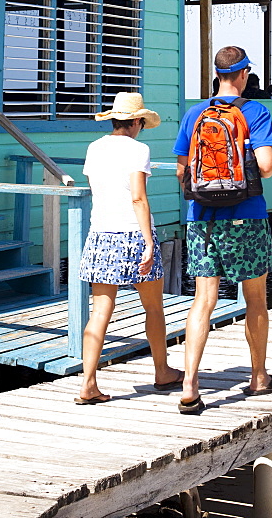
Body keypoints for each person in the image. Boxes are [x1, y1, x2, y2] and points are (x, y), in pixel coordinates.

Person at [174, 46, 272, 415]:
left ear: (217, 74)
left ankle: (190, 383)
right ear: (244, 74)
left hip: (202, 219)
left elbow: (181, 173)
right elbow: (267, 165)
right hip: (246, 217)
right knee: (255, 297)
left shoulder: (195, 113)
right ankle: (258, 378)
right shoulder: (255, 111)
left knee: (202, 300)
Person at [76, 92, 182, 404]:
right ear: (136, 121)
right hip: (132, 234)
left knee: (99, 313)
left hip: (100, 234)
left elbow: (99, 189)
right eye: (141, 124)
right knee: (153, 307)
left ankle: (88, 383)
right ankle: (162, 371)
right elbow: (137, 196)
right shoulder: (139, 149)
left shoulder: (95, 148)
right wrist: (149, 240)